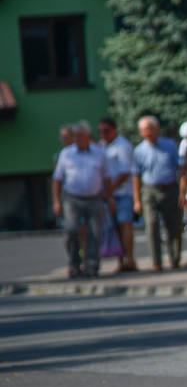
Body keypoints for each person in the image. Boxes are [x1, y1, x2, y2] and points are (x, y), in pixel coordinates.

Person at [53, 120, 109, 279]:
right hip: (72, 198)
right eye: (75, 136)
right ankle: (74, 264)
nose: (76, 138)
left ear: (88, 136)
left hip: (94, 198)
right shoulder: (66, 154)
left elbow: (107, 177)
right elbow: (57, 179)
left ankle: (92, 266)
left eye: (80, 136)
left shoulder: (99, 153)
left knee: (94, 232)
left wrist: (110, 198)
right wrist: (57, 201)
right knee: (71, 230)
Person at [133, 115, 184, 272]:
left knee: (173, 226)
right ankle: (156, 263)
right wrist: (137, 200)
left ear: (157, 129)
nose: (147, 133)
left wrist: (182, 192)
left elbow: (181, 169)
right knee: (151, 225)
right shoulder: (139, 150)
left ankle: (174, 259)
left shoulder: (169, 145)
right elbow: (136, 175)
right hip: (149, 190)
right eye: (143, 131)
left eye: (149, 129)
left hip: (170, 188)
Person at [98, 116, 137, 272]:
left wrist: (110, 189)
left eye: (106, 131)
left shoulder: (123, 146)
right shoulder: (102, 147)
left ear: (114, 130)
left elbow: (125, 172)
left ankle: (130, 259)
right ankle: (121, 261)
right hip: (109, 195)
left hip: (122, 193)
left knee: (124, 224)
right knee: (114, 227)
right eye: (100, 131)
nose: (103, 134)